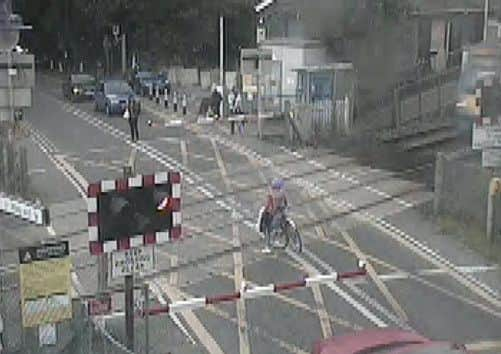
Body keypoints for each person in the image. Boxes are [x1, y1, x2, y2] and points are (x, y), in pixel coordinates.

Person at [259, 178, 288, 253]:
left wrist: (266, 212)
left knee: (268, 229)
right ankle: (276, 240)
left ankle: (267, 247)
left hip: (274, 214)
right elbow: (286, 203)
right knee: (277, 227)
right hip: (282, 213)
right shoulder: (282, 195)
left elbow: (269, 206)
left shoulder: (272, 195)